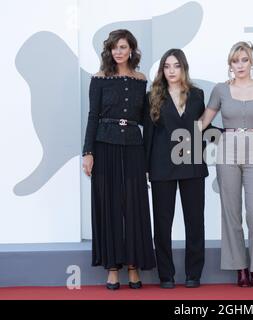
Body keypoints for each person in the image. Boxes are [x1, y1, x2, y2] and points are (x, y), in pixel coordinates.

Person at [82, 29, 156, 290]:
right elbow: (93, 116)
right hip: (104, 146)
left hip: (134, 146)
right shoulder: (99, 78)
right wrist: (87, 152)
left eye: (123, 47)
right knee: (110, 204)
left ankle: (134, 266)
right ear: (109, 51)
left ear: (132, 50)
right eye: (114, 47)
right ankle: (113, 268)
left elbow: (147, 120)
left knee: (135, 205)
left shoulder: (140, 79)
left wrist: (149, 159)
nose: (118, 51)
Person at [198, 42, 253, 287]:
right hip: (227, 151)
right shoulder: (220, 90)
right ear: (229, 65)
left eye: (244, 60)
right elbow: (203, 122)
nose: (239, 65)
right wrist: (173, 136)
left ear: (251, 62)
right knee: (231, 212)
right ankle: (240, 268)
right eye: (234, 61)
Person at [144, 49, 208, 289]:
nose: (171, 71)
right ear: (162, 70)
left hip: (192, 165)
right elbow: (148, 135)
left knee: (195, 221)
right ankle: (166, 275)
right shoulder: (153, 97)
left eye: (176, 66)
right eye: (167, 66)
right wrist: (145, 168)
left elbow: (201, 131)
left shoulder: (198, 95)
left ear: (184, 68)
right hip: (162, 166)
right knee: (162, 223)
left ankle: (194, 273)